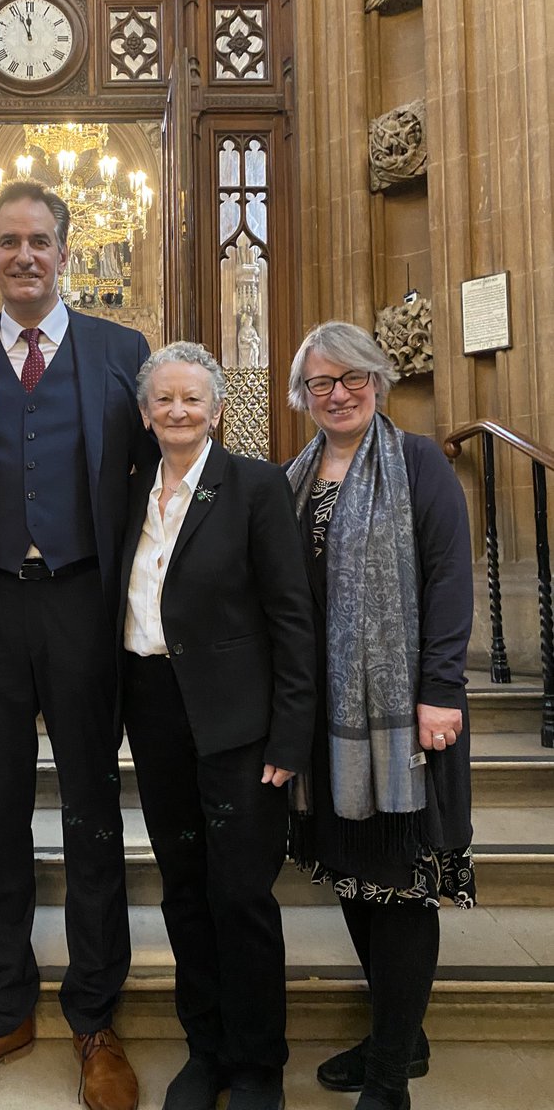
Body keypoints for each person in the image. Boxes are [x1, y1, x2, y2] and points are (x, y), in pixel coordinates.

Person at [0, 180, 154, 1110]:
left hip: (87, 608)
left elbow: (153, 475)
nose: (24, 256)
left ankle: (96, 1018)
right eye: (7, 241)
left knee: (93, 817)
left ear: (66, 247)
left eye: (39, 240)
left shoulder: (121, 350)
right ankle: (1, 1009)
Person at [120, 342, 317, 1110]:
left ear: (217, 409)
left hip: (239, 722)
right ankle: (205, 1053)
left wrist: (289, 735)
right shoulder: (128, 488)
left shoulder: (256, 486)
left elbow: (291, 618)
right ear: (144, 412)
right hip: (153, 707)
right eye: (163, 400)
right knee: (183, 890)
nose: (177, 411)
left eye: (192, 399)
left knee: (240, 894)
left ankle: (259, 1063)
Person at [285, 321, 475, 1110]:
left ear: (379, 380)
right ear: (302, 396)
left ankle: (390, 1079)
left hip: (402, 720)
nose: (339, 393)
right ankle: (404, 1032)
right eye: (322, 382)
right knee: (356, 881)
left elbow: (448, 580)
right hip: (329, 724)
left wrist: (440, 690)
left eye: (353, 376)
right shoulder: (292, 475)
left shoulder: (419, 463)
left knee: (398, 887)